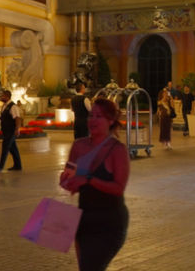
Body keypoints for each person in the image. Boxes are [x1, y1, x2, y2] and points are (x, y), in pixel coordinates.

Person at [59, 98, 130, 271]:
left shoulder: (117, 150)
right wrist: (67, 181)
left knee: (92, 267)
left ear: (110, 121)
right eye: (91, 115)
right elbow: (69, 177)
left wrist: (88, 179)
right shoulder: (79, 146)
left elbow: (118, 188)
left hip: (110, 221)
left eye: (99, 116)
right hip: (84, 219)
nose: (93, 120)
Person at [0, 89, 23, 171]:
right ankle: (18, 165)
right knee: (13, 149)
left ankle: (0, 166)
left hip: (10, 131)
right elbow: (6, 116)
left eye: (3, 96)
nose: (1, 97)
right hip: (6, 130)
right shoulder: (5, 106)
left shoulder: (13, 106)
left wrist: (17, 129)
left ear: (7, 97)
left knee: (5, 148)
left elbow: (17, 118)